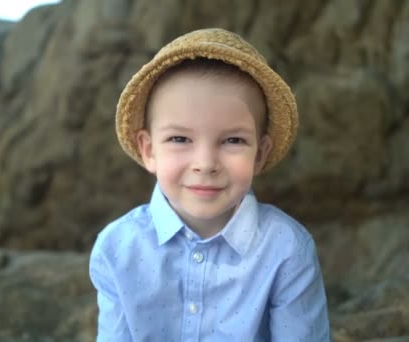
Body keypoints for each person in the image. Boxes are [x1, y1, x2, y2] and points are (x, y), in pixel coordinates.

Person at [89, 28, 330, 341]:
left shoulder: (287, 249)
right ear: (149, 150)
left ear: (259, 154)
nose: (205, 162)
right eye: (179, 139)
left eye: (232, 140)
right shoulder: (117, 248)